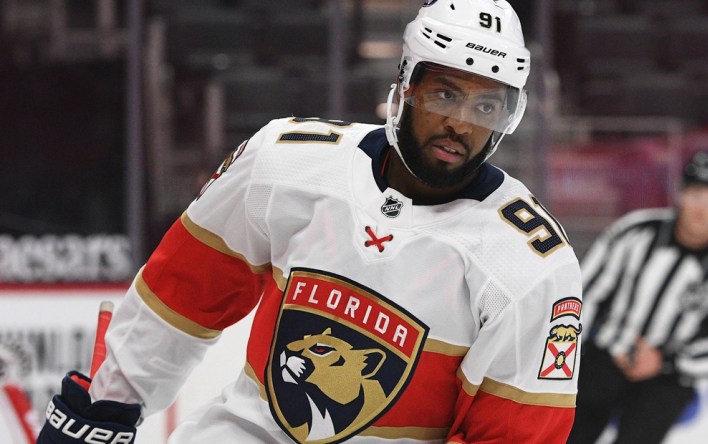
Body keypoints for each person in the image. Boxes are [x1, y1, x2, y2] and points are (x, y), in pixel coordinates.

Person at [37, 0, 583, 443]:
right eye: (444, 94)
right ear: (405, 86)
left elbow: (514, 436)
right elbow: (184, 291)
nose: (460, 124)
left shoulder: (530, 265)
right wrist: (107, 402)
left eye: (486, 107)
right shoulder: (287, 160)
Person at [567, 151, 708, 444]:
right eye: (696, 195)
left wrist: (666, 361)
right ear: (680, 192)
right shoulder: (635, 232)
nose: (702, 208)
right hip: (604, 358)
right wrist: (599, 346)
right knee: (567, 435)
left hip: (666, 379)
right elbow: (584, 291)